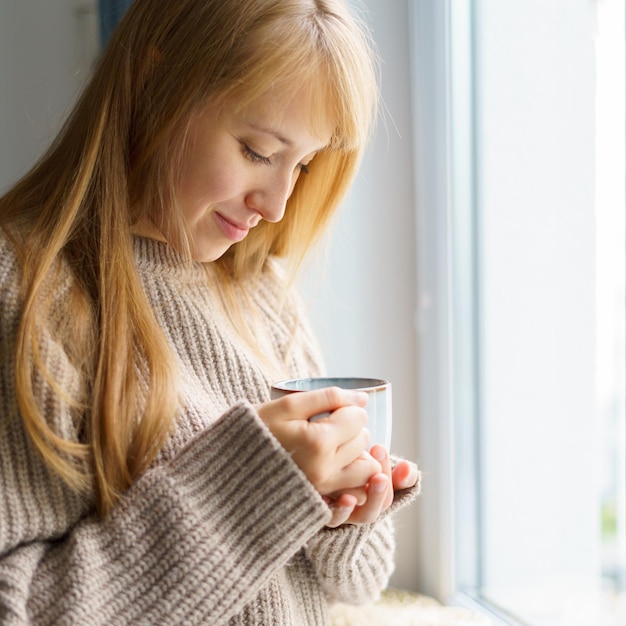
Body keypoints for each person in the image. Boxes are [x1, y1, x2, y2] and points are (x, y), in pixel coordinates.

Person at [0, 0, 420, 623]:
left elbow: (357, 582)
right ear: (155, 79)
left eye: (301, 164)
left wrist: (343, 508)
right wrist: (249, 490)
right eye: (257, 151)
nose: (278, 204)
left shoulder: (260, 289)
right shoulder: (25, 294)